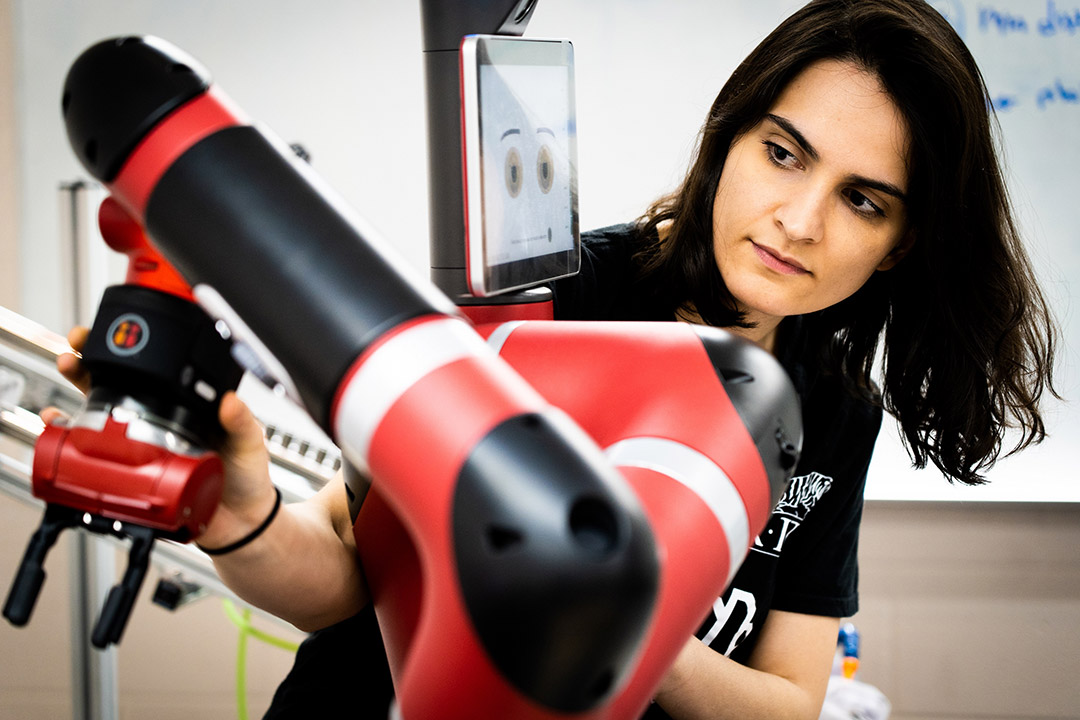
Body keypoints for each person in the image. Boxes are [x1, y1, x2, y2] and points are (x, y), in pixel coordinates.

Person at [48, 0, 1058, 717]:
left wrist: (619, 628)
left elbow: (791, 700)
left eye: (862, 198)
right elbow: (348, 574)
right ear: (730, 134)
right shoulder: (550, 302)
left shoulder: (836, 412)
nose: (799, 219)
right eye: (783, 153)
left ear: (902, 240)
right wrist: (241, 518)